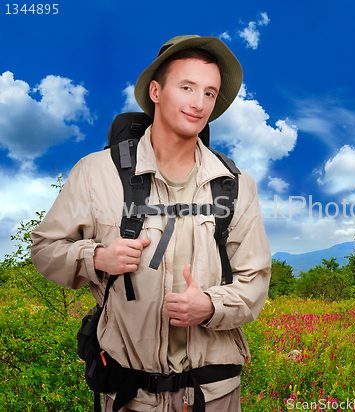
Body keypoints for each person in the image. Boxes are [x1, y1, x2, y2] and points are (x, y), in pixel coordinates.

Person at [31, 35, 271, 412]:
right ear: (156, 91)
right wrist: (96, 258)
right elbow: (45, 250)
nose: (198, 103)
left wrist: (209, 306)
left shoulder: (236, 185)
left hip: (214, 395)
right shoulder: (96, 172)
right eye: (187, 87)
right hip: (129, 395)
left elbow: (254, 279)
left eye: (210, 93)